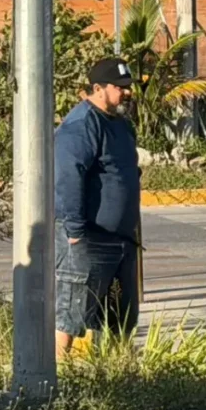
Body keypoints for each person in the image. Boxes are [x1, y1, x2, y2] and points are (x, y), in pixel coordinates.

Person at [53, 57, 141, 359]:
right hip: (89, 239)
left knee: (119, 319)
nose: (127, 93)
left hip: (121, 241)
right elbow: (67, 176)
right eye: (120, 88)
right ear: (97, 88)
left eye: (129, 87)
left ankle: (112, 377)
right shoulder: (81, 125)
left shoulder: (120, 125)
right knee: (71, 315)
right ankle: (53, 380)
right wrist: (75, 232)